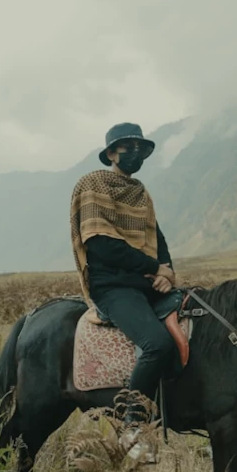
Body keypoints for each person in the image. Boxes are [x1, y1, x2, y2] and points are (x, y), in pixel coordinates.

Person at [70, 122, 178, 441]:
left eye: (140, 149)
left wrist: (167, 272)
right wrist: (154, 267)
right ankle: (133, 422)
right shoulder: (93, 185)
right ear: (111, 153)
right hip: (113, 287)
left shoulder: (141, 191)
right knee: (157, 344)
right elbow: (102, 245)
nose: (134, 154)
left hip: (144, 283)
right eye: (127, 147)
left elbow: (156, 238)